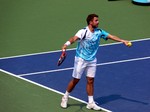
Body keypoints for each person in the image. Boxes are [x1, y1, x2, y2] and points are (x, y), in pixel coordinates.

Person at [60, 14, 130, 110]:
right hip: (80, 59)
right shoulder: (83, 31)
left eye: (98, 20)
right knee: (76, 80)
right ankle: (65, 97)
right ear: (90, 22)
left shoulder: (99, 32)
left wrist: (122, 40)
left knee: (91, 81)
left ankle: (91, 103)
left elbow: (110, 36)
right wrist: (66, 44)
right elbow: (74, 38)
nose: (98, 22)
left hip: (92, 60)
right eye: (96, 20)